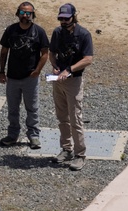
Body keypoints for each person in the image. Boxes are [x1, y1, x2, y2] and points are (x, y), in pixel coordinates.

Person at [49, 3, 94, 171]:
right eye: (60, 18)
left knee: (75, 118)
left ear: (74, 17)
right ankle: (66, 149)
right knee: (62, 117)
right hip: (58, 80)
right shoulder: (57, 32)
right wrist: (54, 65)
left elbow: (88, 59)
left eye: (66, 18)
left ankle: (80, 154)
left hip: (73, 80)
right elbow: (52, 52)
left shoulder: (83, 34)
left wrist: (69, 70)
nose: (63, 21)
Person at [0, 3, 49, 149]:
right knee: (13, 108)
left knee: (32, 108)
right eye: (22, 12)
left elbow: (45, 53)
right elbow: (4, 51)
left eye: (28, 13)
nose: (25, 15)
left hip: (30, 78)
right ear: (18, 13)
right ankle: (12, 135)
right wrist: (2, 71)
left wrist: (38, 70)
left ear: (33, 14)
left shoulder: (39, 31)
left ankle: (33, 135)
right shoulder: (11, 30)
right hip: (13, 77)